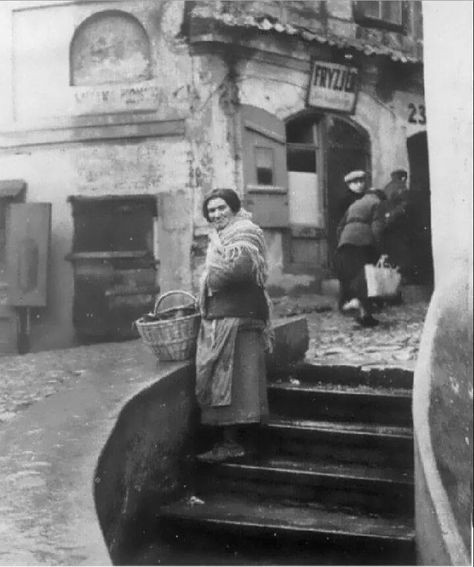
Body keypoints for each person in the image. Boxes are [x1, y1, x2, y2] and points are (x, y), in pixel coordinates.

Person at [195, 188, 273, 462]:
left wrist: (208, 275)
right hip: (224, 315)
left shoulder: (245, 232)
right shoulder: (221, 237)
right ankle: (235, 442)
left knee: (233, 382)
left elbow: (232, 272)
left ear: (234, 208)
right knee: (227, 380)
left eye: (221, 208)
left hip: (239, 318)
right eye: (211, 210)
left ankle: (233, 444)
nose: (216, 214)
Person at [334, 170, 385, 327]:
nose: (360, 184)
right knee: (364, 279)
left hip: (345, 243)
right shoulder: (377, 203)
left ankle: (364, 316)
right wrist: (378, 247)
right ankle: (360, 308)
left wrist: (343, 241)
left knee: (354, 277)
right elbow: (377, 227)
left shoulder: (356, 204)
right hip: (363, 243)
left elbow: (340, 227)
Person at [381, 169, 412, 281]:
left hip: (386, 226)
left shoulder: (386, 188)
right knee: (401, 254)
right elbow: (404, 206)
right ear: (402, 177)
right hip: (398, 225)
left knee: (391, 254)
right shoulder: (401, 188)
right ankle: (400, 280)